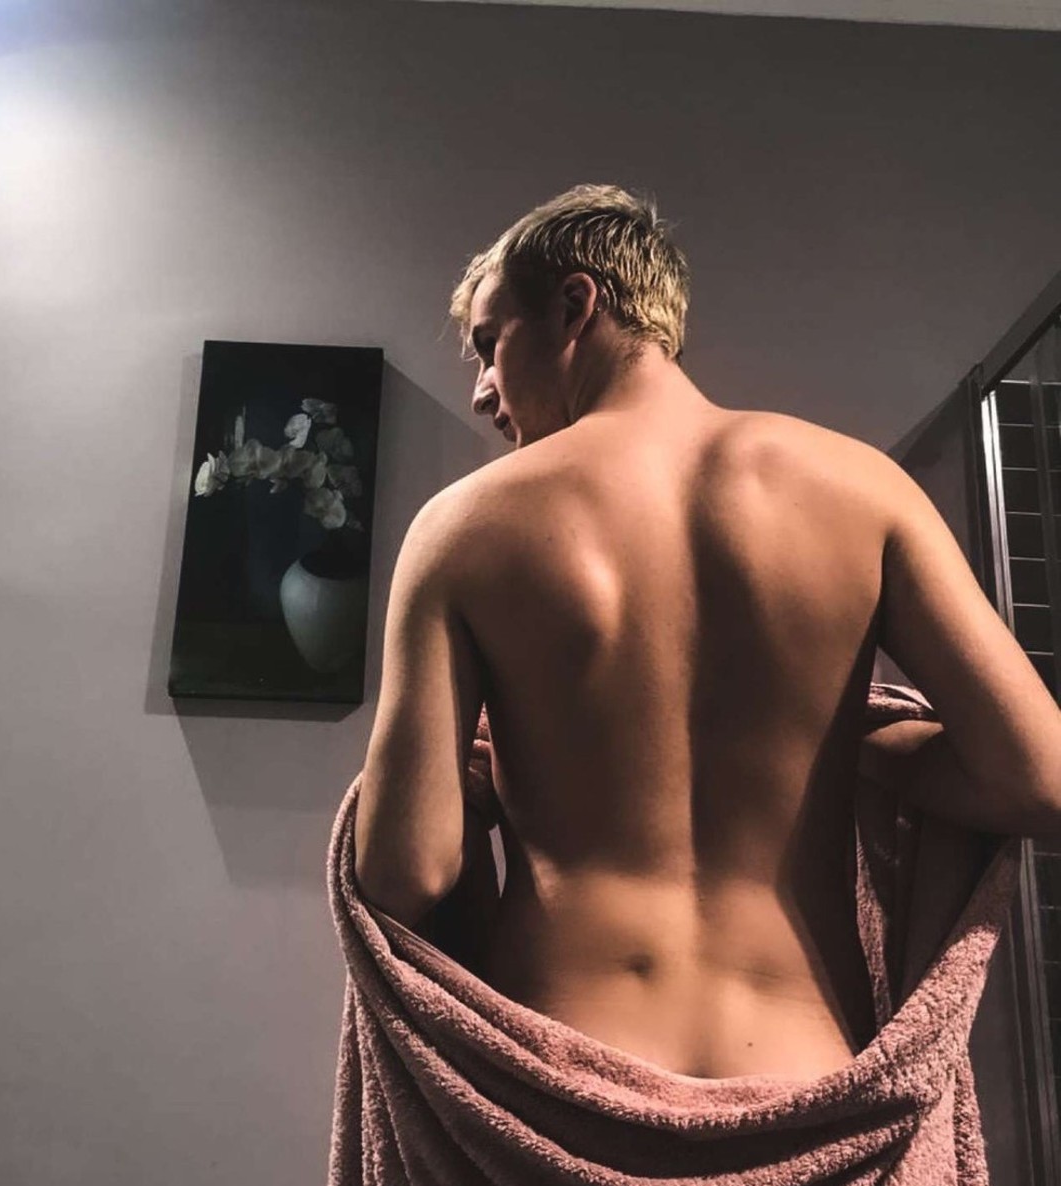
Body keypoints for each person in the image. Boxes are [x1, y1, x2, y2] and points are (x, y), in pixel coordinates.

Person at [351, 183, 1061, 1083]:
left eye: (491, 344)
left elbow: (404, 872)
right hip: (802, 1078)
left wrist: (466, 783)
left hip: (565, 1079)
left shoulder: (461, 527)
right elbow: (1040, 778)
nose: (483, 388)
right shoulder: (865, 491)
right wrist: (862, 748)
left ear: (575, 304)